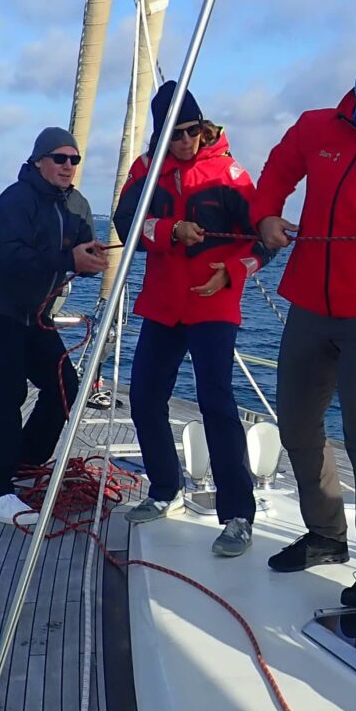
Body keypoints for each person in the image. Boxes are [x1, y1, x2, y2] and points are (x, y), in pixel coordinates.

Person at [252, 44, 356, 608]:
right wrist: (267, 215)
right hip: (308, 303)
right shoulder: (316, 128)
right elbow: (276, 171)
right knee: (297, 424)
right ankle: (325, 535)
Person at [115, 83, 264, 557]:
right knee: (143, 396)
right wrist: (168, 230)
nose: (185, 141)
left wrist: (233, 272)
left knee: (215, 401)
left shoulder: (232, 175)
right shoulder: (146, 172)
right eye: (175, 134)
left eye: (192, 131)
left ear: (204, 128)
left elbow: (265, 240)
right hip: (162, 303)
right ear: (160, 136)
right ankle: (164, 489)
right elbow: (126, 225)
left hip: (213, 304)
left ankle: (238, 514)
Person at [0, 127, 106, 526]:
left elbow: (79, 255)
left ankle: (22, 460)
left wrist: (90, 260)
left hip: (33, 314)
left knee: (64, 386)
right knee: (6, 395)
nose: (68, 166)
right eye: (60, 158)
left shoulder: (77, 204)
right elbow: (9, 257)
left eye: (74, 160)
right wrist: (67, 258)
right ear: (39, 160)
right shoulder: (16, 199)